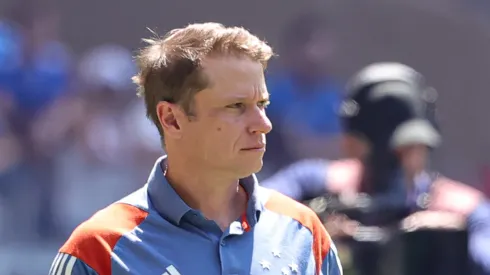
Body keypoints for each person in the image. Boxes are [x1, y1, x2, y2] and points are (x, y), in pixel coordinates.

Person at [48, 23, 343, 275]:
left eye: (262, 104)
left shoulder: (304, 231)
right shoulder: (97, 249)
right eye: (236, 106)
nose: (263, 124)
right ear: (172, 119)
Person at [263, 62, 490, 275]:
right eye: (391, 150)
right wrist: (311, 236)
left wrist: (451, 245)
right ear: (353, 144)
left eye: (413, 147)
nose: (404, 160)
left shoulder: (463, 211)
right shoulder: (313, 185)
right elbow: (247, 217)